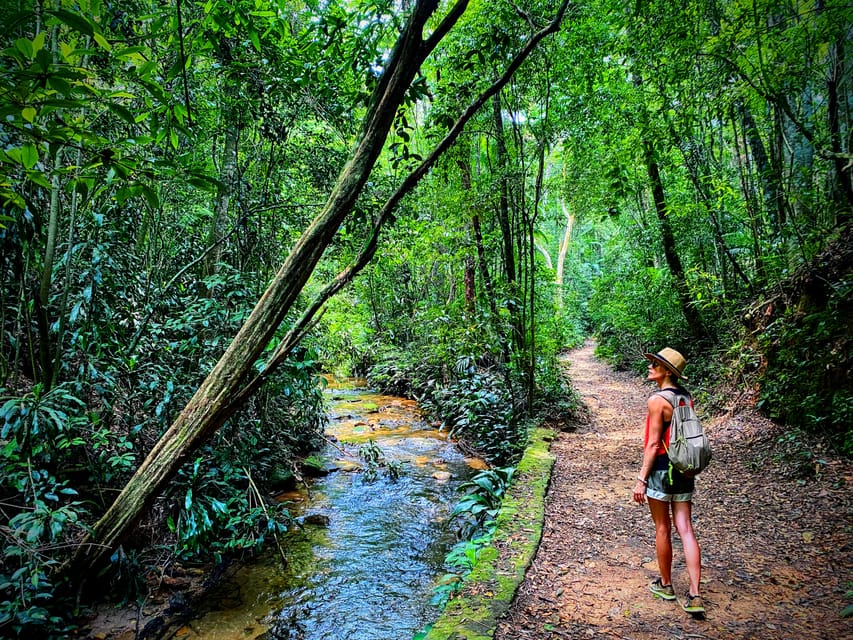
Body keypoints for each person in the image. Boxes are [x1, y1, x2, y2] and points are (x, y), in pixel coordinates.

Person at [632, 347, 705, 618]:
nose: (650, 367)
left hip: (662, 469)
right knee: (685, 528)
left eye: (655, 364)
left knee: (662, 527)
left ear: (666, 371)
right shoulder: (686, 398)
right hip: (684, 470)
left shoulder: (657, 400)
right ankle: (695, 594)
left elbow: (653, 444)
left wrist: (641, 480)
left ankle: (666, 585)